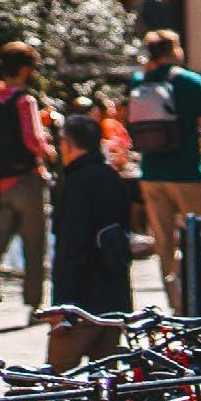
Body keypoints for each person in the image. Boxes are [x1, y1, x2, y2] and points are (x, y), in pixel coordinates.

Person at [47, 114, 137, 368]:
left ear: (67, 143)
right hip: (115, 297)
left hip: (82, 301)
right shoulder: (114, 179)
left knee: (57, 375)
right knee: (106, 378)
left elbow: (71, 249)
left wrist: (61, 306)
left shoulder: (76, 184)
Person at [126, 29, 201, 275]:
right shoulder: (191, 82)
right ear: (175, 51)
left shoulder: (139, 81)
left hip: (151, 172)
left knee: (164, 240)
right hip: (187, 170)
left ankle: (172, 291)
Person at [0, 41, 51, 314]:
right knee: (34, 244)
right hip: (27, 181)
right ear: (26, 69)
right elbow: (33, 141)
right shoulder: (24, 100)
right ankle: (34, 303)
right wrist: (49, 149)